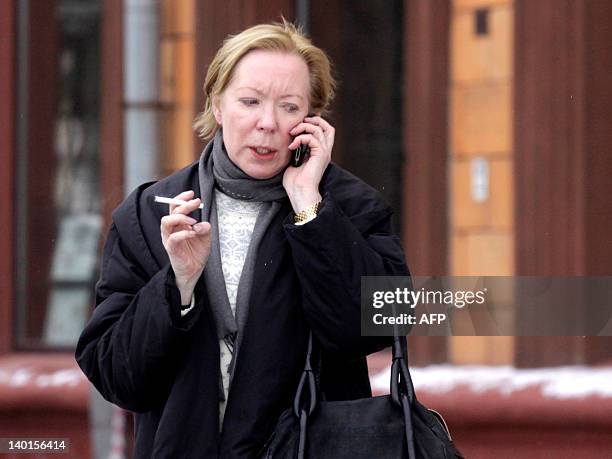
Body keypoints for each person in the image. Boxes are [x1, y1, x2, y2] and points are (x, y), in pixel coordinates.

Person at [76, 20, 409, 458]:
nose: (267, 123)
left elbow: (378, 325)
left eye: (289, 107)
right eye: (249, 101)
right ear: (217, 104)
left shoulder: (348, 207)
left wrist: (310, 209)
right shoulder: (151, 212)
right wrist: (176, 285)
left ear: (312, 117)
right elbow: (117, 375)